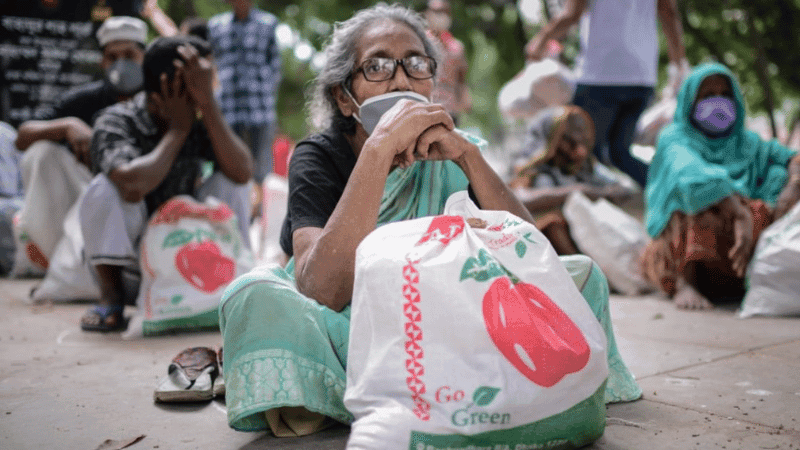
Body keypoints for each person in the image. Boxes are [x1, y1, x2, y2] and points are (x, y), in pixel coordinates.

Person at [217, 4, 640, 435]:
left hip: (446, 317)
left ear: (432, 82)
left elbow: (536, 257)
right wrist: (378, 153)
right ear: (345, 97)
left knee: (582, 278)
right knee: (253, 294)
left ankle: (395, 394)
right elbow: (320, 288)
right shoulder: (319, 156)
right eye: (377, 66)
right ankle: (451, 391)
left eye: (416, 63)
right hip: (358, 326)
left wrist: (469, 157)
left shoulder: (457, 149)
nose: (401, 79)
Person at [78, 35, 253, 332]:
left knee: (232, 181)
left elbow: (243, 172)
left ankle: (236, 286)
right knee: (104, 188)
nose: (206, 88)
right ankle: (112, 299)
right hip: (132, 268)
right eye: (197, 82)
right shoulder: (116, 120)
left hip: (185, 253)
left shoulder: (204, 116)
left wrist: (209, 106)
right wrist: (177, 131)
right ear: (167, 87)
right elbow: (132, 185)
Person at [641, 63, 800, 310]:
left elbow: (792, 158)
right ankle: (686, 283)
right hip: (683, 253)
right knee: (698, 197)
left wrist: (792, 187)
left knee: (779, 175)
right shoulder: (674, 137)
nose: (718, 102)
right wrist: (737, 212)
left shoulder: (748, 143)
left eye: (725, 95)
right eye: (707, 96)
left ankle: (755, 277)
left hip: (737, 255)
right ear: (689, 103)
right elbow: (691, 174)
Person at [13, 16, 148, 267]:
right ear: (102, 62)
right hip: (88, 198)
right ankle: (59, 263)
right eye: (113, 57)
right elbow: (22, 136)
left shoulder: (160, 100)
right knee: (41, 152)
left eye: (129, 55)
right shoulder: (85, 99)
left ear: (144, 58)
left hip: (141, 201)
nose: (121, 64)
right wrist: (67, 125)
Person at [525, 0, 688, 188]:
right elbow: (669, 12)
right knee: (620, 153)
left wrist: (538, 44)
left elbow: (571, 14)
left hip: (600, 75)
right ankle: (673, 190)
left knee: (581, 153)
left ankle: (579, 207)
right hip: (642, 77)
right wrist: (678, 65)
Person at [509, 105, 636, 255]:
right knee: (552, 223)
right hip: (556, 250)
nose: (578, 148)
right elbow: (520, 198)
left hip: (592, 239)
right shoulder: (532, 170)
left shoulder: (586, 167)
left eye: (583, 139)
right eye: (569, 140)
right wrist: (576, 192)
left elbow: (624, 189)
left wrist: (604, 194)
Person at [207, 0, 282, 213]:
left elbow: (274, 65)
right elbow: (213, 64)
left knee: (260, 168)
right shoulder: (215, 26)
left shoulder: (268, 23)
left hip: (260, 107)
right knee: (227, 167)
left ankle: (258, 215)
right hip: (227, 109)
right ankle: (228, 212)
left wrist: (267, 91)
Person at [424, 0, 471, 124]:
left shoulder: (456, 47)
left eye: (444, 12)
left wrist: (465, 100)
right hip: (424, 109)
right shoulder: (419, 43)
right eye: (437, 11)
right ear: (428, 14)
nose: (441, 15)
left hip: (449, 111)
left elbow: (461, 79)